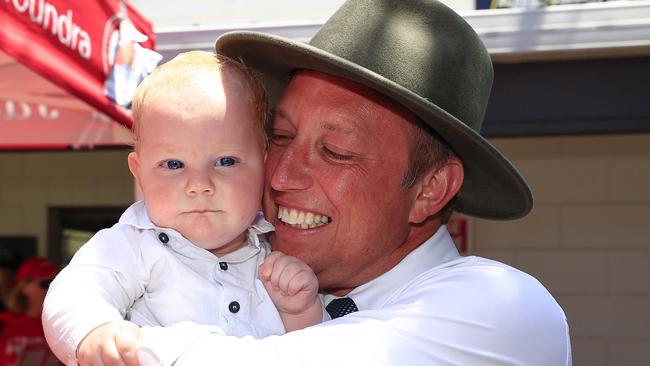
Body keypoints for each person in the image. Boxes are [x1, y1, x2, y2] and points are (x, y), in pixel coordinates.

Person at [80, 0, 573, 365]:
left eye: (336, 151)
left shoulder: (502, 312)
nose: (280, 174)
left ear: (430, 188)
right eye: (279, 135)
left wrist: (107, 337)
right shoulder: (234, 266)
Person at [42, 51, 323, 366]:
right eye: (173, 164)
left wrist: (299, 312)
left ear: (264, 162)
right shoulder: (132, 245)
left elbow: (309, 352)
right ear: (139, 173)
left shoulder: (276, 256)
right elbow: (76, 291)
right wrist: (95, 330)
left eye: (226, 161)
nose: (199, 184)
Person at [0, 257, 60, 366]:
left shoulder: (61, 325)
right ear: (24, 286)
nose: (51, 289)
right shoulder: (3, 323)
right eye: (46, 284)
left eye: (56, 283)